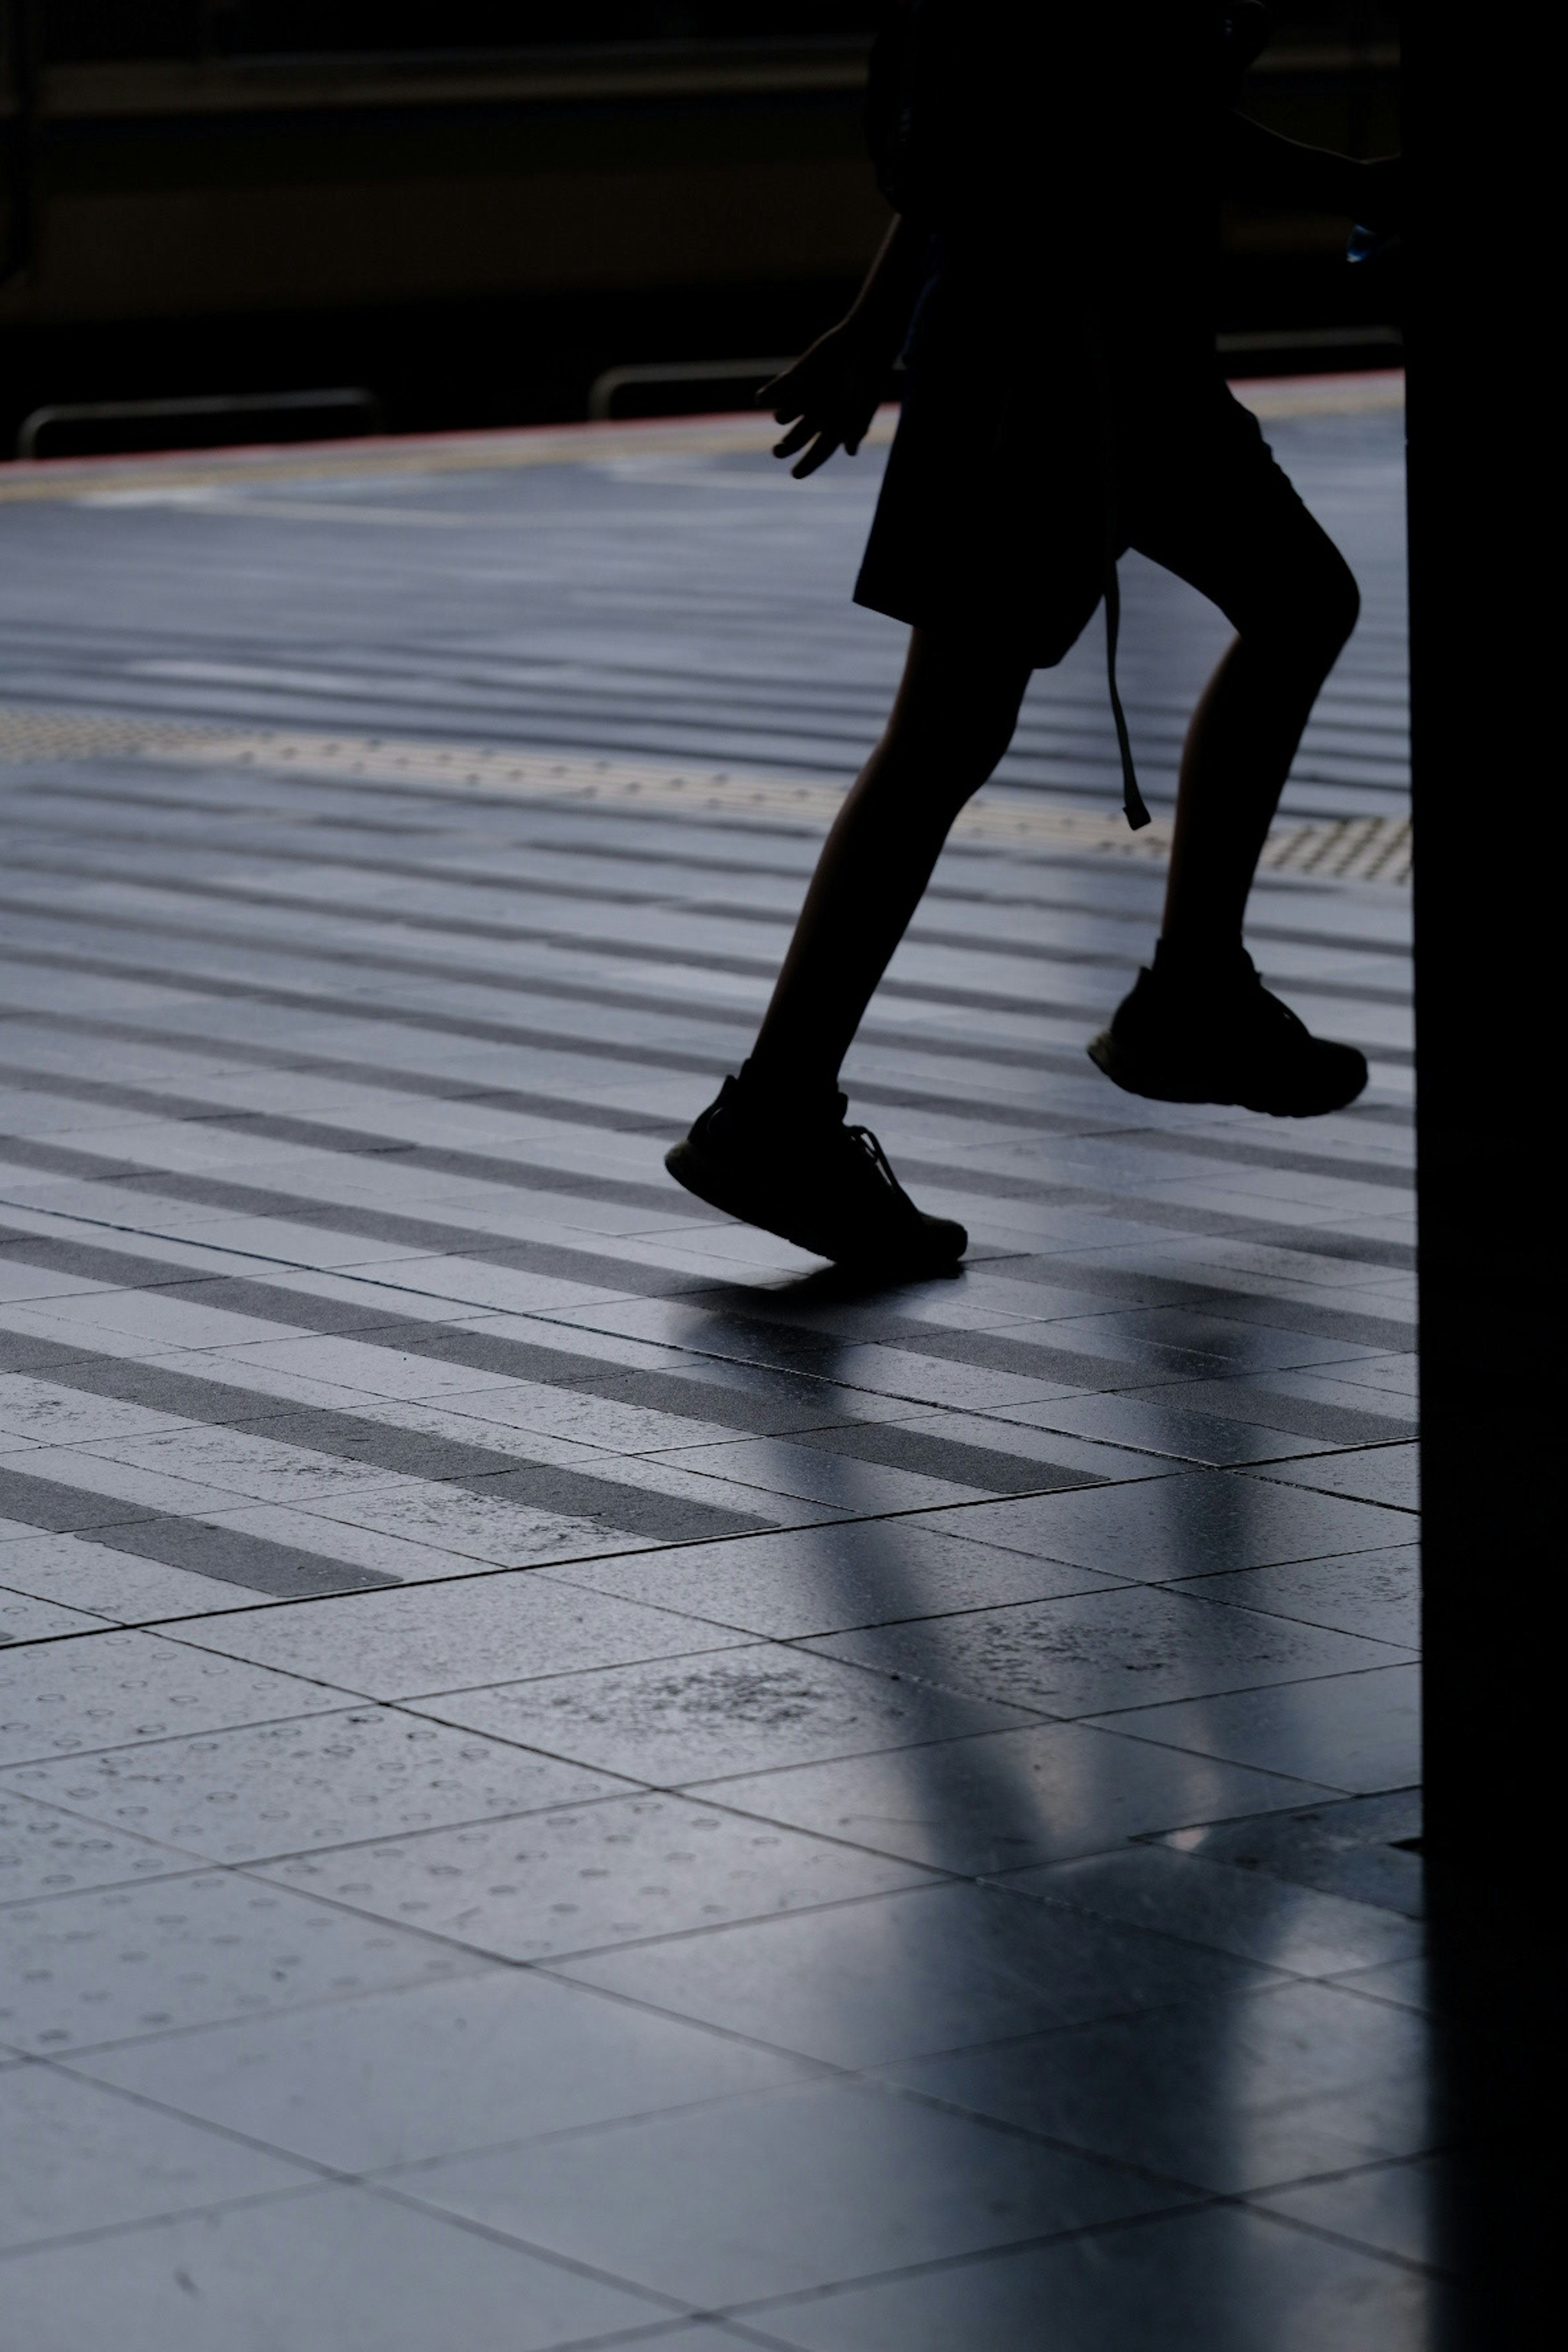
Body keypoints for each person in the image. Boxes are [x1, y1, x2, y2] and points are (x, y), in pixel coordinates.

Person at [666, 0, 1401, 1272]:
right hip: (1069, 359)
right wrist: (1363, 190)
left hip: (1055, 344)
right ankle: (791, 1104)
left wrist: (877, 326)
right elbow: (1137, 120)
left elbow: (994, 122)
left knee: (993, 717)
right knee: (967, 726)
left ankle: (1183, 991)